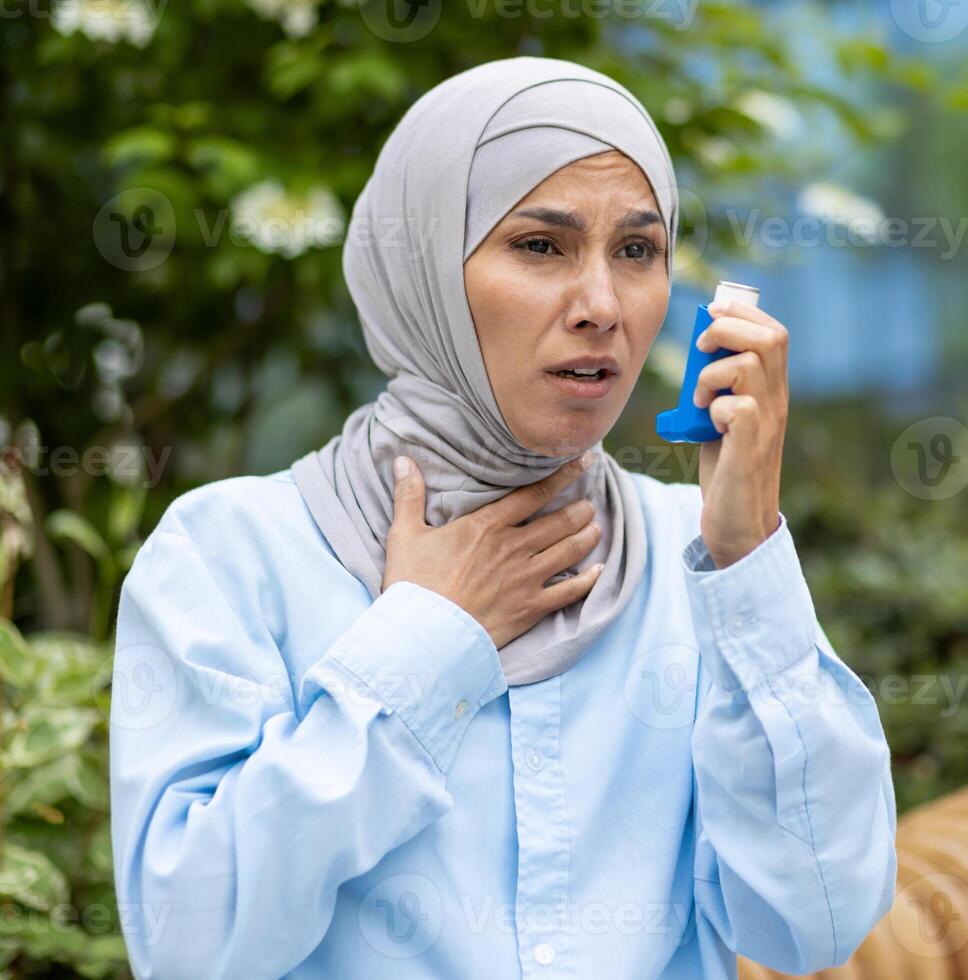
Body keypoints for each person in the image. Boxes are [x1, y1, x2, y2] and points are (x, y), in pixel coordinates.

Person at [108, 55, 897, 979]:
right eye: (541, 245)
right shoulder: (230, 556)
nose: (601, 306)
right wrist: (426, 641)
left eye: (637, 251)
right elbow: (187, 946)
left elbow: (815, 920)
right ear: (426, 270)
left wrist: (748, 557)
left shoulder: (706, 559)